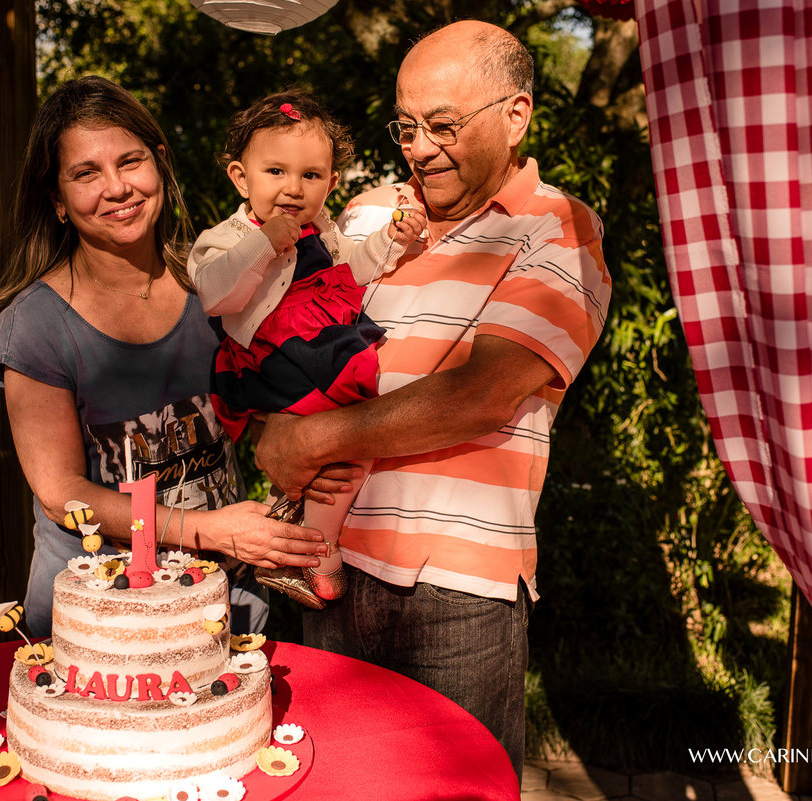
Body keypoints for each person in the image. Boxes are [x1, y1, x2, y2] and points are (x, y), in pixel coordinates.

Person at [253, 21, 612, 777]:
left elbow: (482, 392)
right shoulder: (366, 214)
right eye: (406, 125)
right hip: (330, 565)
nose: (418, 147)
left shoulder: (556, 228)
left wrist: (311, 441)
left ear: (516, 116)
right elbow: (292, 337)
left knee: (455, 788)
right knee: (341, 784)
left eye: (442, 125)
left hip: (459, 590)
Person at [0, 76, 333, 638]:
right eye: (86, 174)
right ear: (58, 201)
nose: (117, 188)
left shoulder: (215, 287)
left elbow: (263, 405)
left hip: (228, 609)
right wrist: (211, 530)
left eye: (130, 162)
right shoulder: (35, 325)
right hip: (103, 628)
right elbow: (60, 493)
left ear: (160, 164)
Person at [187, 91, 425, 609]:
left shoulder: (325, 231)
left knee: (357, 436)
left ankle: (293, 527)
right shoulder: (226, 238)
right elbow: (215, 293)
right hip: (273, 356)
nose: (293, 189)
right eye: (275, 171)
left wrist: (393, 240)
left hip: (314, 349)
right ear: (240, 177)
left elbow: (354, 270)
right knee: (358, 428)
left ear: (332, 184)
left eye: (311, 176)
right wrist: (265, 242)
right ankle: (319, 548)